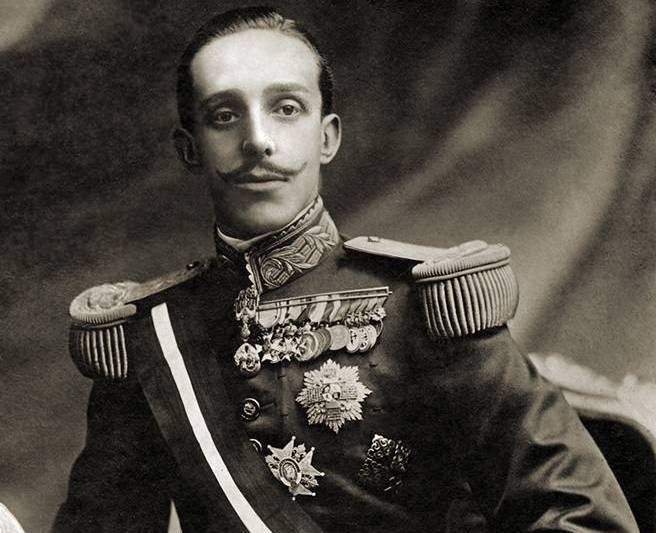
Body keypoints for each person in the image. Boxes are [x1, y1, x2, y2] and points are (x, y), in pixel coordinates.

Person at [53, 7, 638, 532]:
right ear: (190, 148)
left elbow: (582, 514)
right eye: (224, 115)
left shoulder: (423, 305)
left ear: (327, 137)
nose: (257, 141)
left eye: (286, 109)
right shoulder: (152, 337)